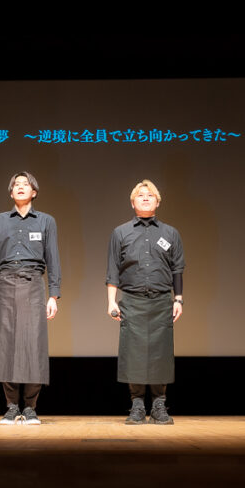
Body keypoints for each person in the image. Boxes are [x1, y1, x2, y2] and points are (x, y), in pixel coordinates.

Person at [0, 171, 60, 425]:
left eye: (25, 184)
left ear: (34, 192)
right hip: (5, 283)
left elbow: (53, 259)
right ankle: (12, 406)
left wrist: (54, 295)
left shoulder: (46, 221)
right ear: (11, 191)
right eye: (16, 184)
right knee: (6, 345)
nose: (20, 187)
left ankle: (30, 407)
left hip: (33, 282)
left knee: (33, 344)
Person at [106, 179, 185, 424]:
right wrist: (112, 301)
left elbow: (177, 268)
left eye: (150, 195)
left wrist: (178, 299)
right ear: (133, 202)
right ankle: (137, 405)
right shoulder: (121, 232)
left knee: (161, 354)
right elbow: (113, 269)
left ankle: (159, 405)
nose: (145, 198)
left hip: (161, 301)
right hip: (132, 301)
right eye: (140, 195)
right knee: (133, 355)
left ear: (157, 202)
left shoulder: (170, 233)